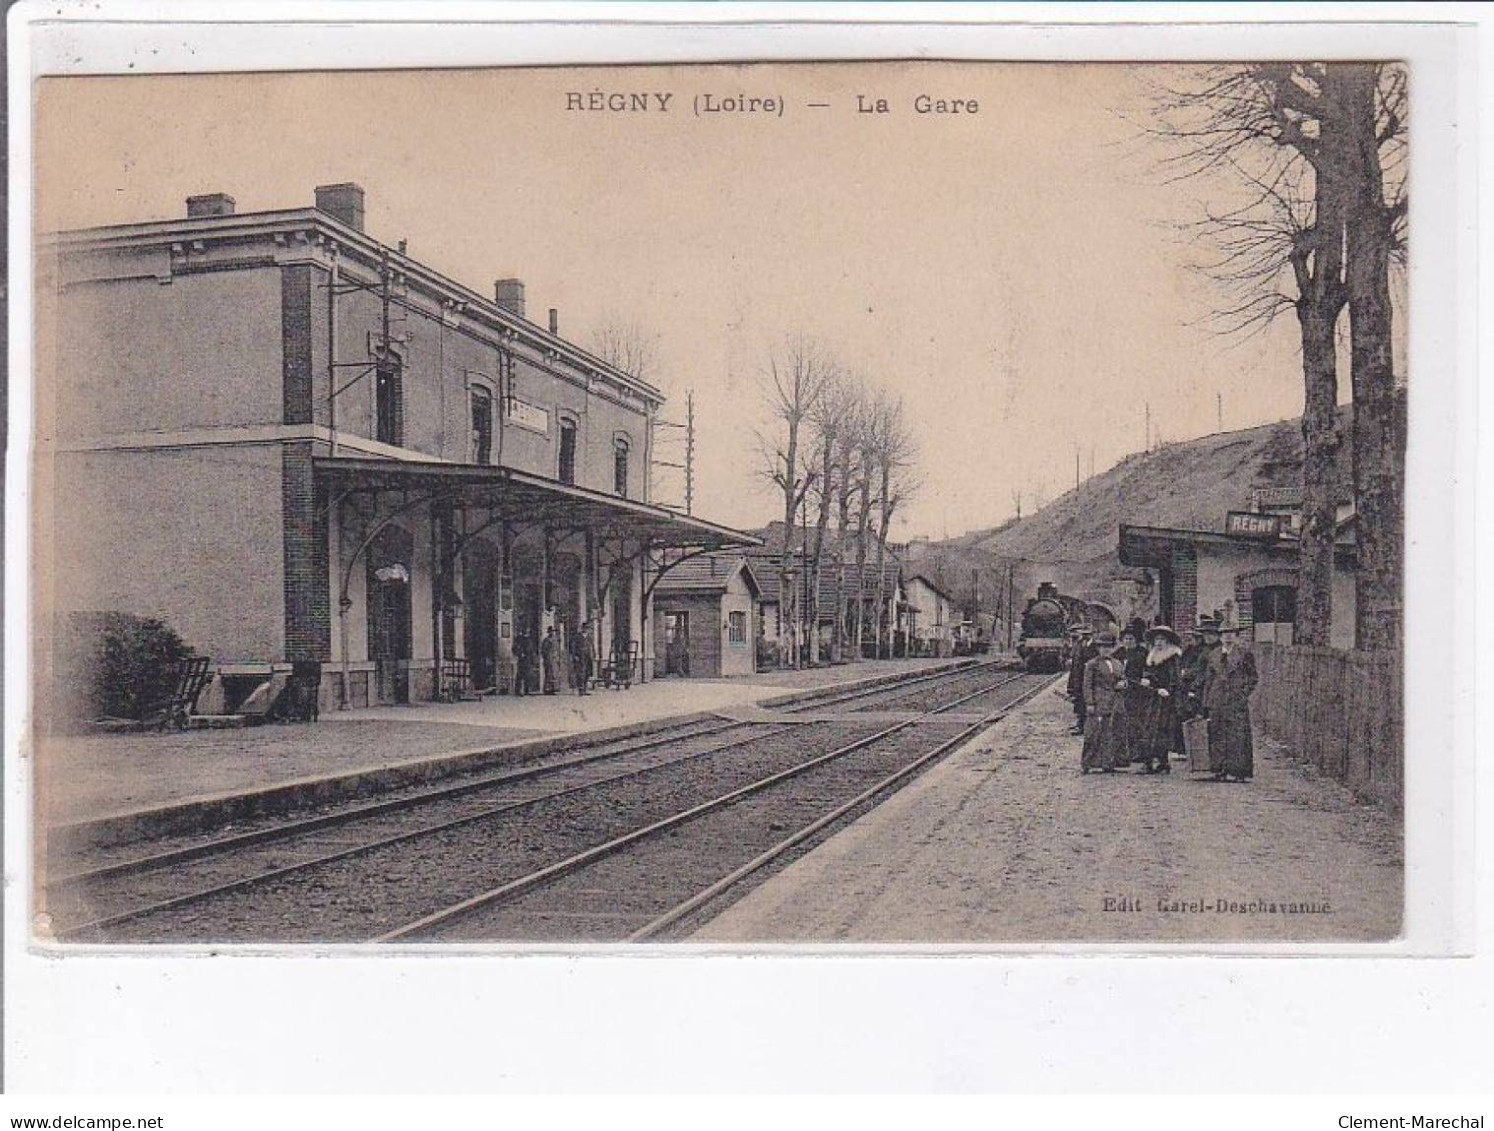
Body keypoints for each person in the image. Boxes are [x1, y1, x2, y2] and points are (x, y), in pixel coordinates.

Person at [1202, 624, 1259, 781]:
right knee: (1217, 734)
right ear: (1220, 637)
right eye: (1224, 633)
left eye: (1231, 633)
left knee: (1237, 735)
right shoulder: (1213, 654)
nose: (1228, 636)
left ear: (1236, 636)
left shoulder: (1244, 654)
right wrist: (1207, 702)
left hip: (1235, 701)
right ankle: (1220, 769)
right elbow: (1208, 680)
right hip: (1217, 699)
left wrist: (1242, 693)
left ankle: (1239, 771)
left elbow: (1253, 677)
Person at [1135, 624, 1183, 773]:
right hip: (1152, 696)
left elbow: (1174, 678)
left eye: (1162, 639)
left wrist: (1167, 690)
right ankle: (1149, 761)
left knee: (1162, 729)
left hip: (1165, 699)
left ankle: (1161, 762)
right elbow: (1148, 673)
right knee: (1148, 728)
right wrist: (1146, 679)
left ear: (1168, 641)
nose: (1159, 642)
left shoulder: (1172, 657)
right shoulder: (1152, 655)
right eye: (1157, 639)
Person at [1080, 631, 1125, 773]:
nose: (1106, 649)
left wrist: (1123, 684)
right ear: (1098, 648)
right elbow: (1087, 685)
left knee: (1111, 733)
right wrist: (1089, 703)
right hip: (1099, 701)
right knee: (1093, 733)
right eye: (1102, 647)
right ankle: (1087, 763)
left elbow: (1123, 678)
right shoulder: (1092, 664)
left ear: (1113, 648)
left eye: (1109, 647)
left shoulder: (1117, 663)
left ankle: (1108, 763)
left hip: (1115, 702)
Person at [1116, 623, 1147, 768]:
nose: (1128, 642)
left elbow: (1146, 672)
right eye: (1126, 639)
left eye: (1131, 639)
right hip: (1121, 693)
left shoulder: (1142, 654)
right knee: (1122, 722)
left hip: (1137, 693)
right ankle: (1123, 752)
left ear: (1136, 640)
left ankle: (1138, 752)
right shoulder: (1119, 654)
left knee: (1136, 722)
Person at [1067, 628, 1097, 735]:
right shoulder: (1078, 644)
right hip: (1078, 677)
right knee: (1078, 701)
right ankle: (1080, 723)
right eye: (1083, 633)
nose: (1085, 635)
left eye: (1087, 633)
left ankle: (1086, 726)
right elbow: (1075, 663)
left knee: (1087, 701)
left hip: (1088, 678)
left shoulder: (1095, 646)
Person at [572, 619, 595, 695]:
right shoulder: (578, 636)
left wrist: (594, 654)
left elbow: (592, 646)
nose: (586, 629)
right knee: (580, 672)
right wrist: (575, 655)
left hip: (588, 657)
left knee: (587, 672)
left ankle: (585, 689)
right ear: (582, 628)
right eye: (585, 628)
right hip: (580, 657)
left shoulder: (589, 637)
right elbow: (573, 646)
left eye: (587, 628)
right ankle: (580, 689)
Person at [514, 630, 536, 696]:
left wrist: (533, 659)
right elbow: (515, 648)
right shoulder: (519, 639)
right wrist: (520, 654)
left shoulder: (530, 640)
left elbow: (532, 650)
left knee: (528, 676)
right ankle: (518, 690)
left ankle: (527, 690)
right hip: (522, 660)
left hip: (528, 660)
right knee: (520, 675)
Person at [540, 625, 560, 695]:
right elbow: (543, 650)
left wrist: (557, 657)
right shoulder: (546, 640)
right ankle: (547, 689)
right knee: (548, 674)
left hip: (554, 659)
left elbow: (557, 650)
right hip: (548, 659)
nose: (552, 633)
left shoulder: (556, 640)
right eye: (551, 631)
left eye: (553, 631)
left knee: (554, 674)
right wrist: (545, 657)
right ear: (548, 632)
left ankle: (553, 688)